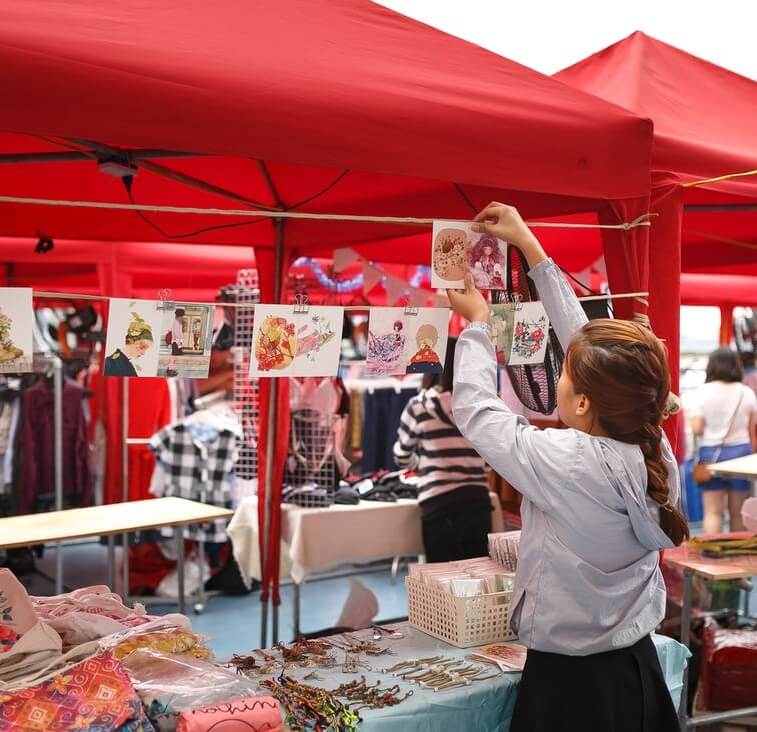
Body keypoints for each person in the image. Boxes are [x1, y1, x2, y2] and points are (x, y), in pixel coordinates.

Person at [448, 202, 686, 731]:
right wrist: (529, 247)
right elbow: (587, 344)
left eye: (565, 374)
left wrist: (481, 327)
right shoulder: (654, 450)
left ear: (582, 403)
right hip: (636, 671)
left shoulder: (568, 462)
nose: (558, 375)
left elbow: (477, 412)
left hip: (570, 690)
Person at [393, 337, 491, 562]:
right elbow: (489, 459)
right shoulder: (480, 405)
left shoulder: (419, 405)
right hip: (477, 500)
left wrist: (423, 464)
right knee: (476, 585)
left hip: (438, 503)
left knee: (442, 588)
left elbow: (401, 456)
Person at [689, 348, 757, 534]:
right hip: (740, 455)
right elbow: (753, 430)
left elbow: (697, 428)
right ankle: (737, 557)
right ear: (737, 366)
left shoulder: (702, 392)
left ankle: (713, 557)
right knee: (738, 512)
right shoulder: (746, 393)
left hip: (711, 454)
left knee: (712, 512)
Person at [104, 313, 154, 377]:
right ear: (131, 341)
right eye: (142, 347)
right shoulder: (115, 365)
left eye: (146, 349)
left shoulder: (110, 361)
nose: (143, 353)